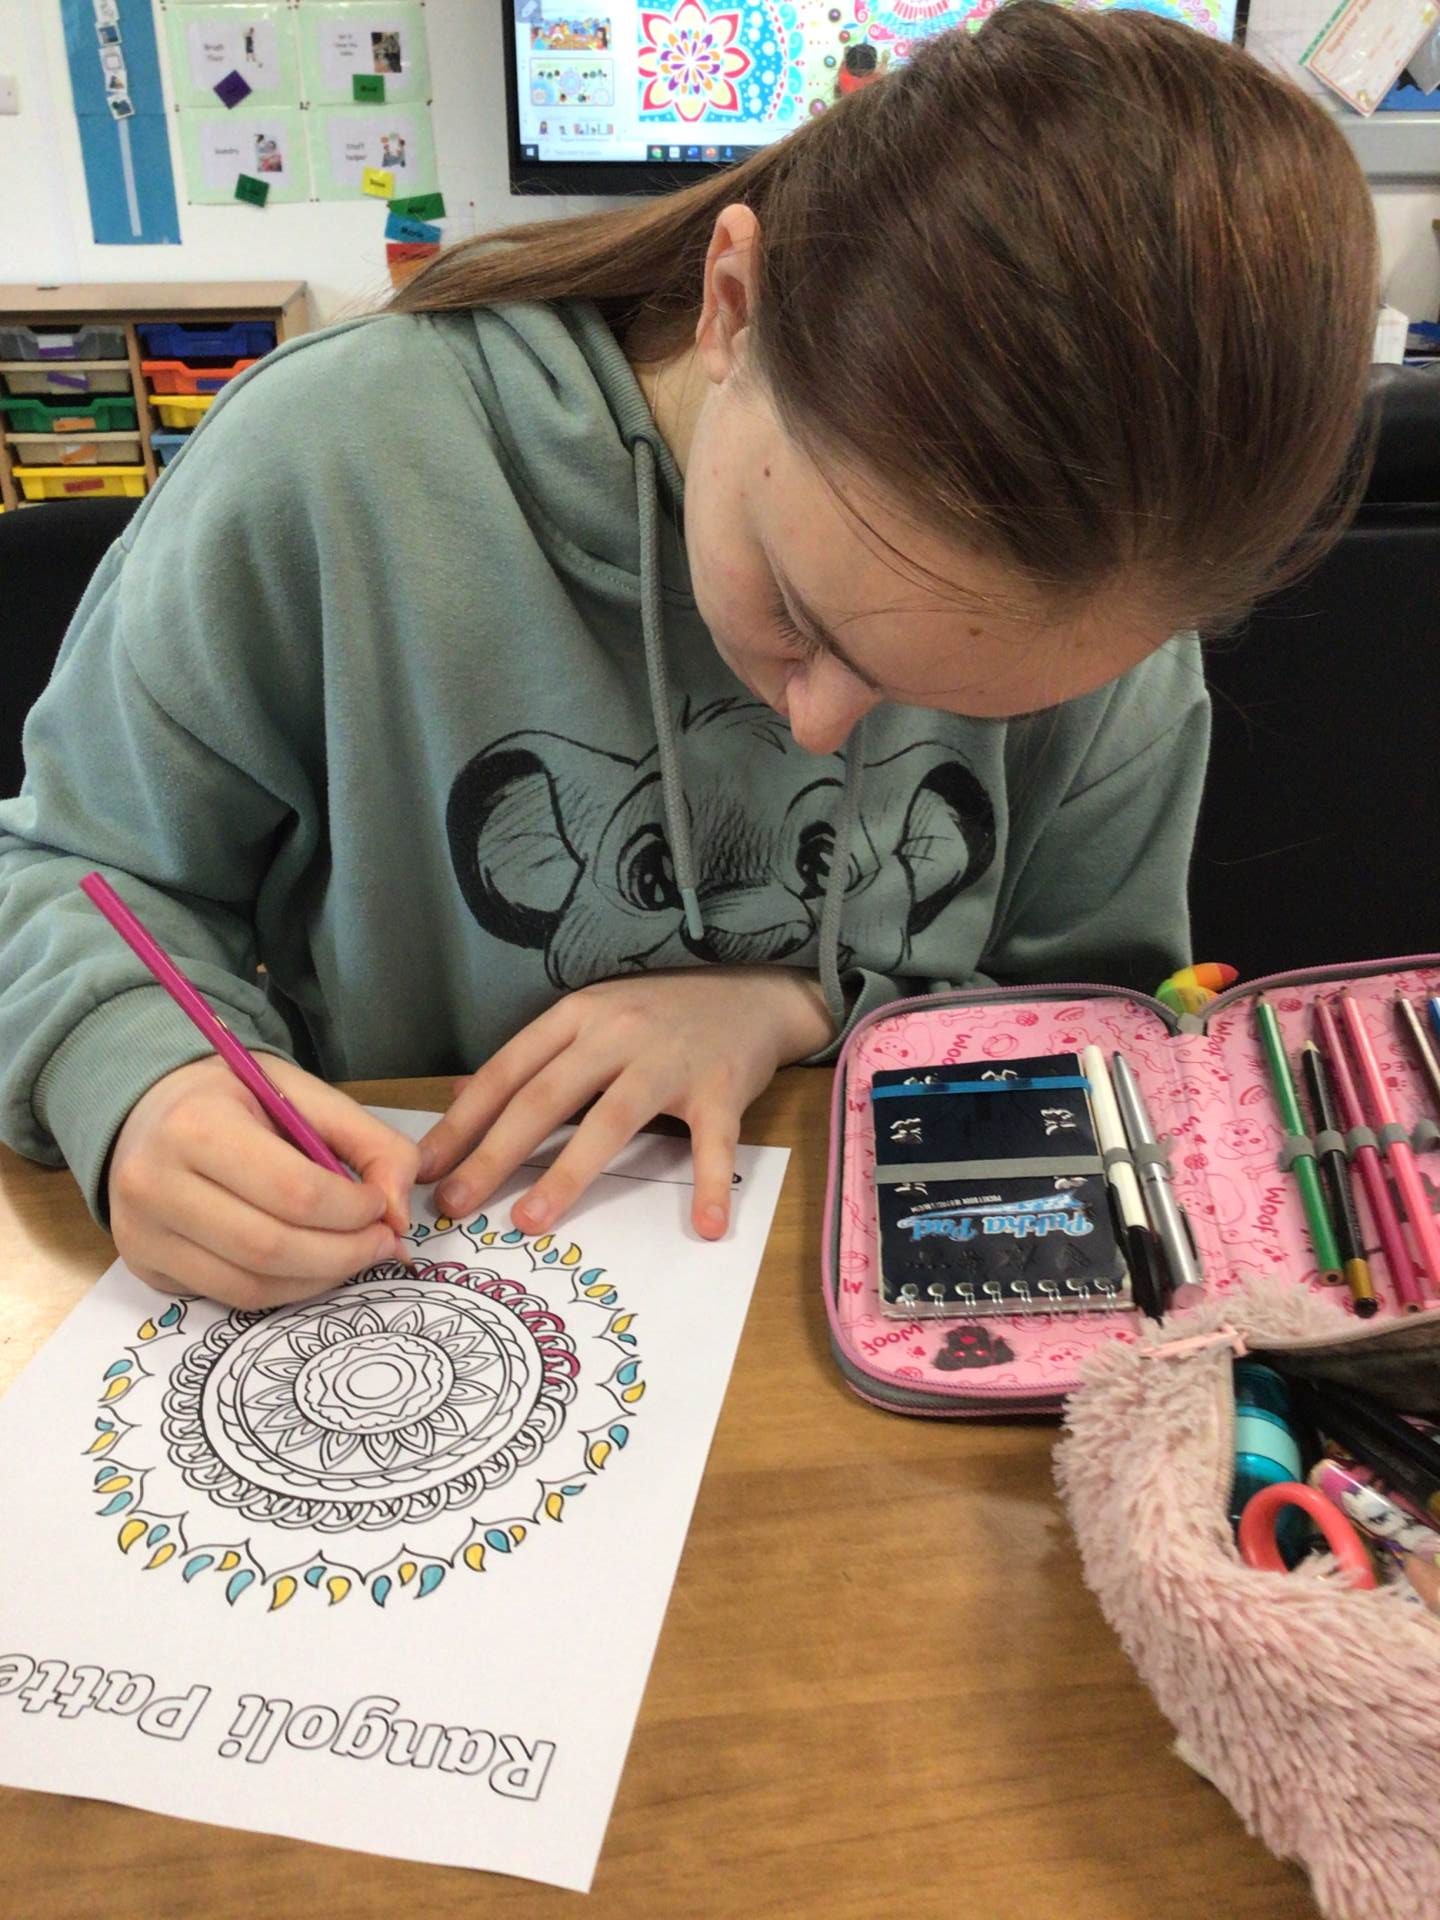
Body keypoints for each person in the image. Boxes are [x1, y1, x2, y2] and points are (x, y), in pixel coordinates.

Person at [0, 3, 1378, 1313]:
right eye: (801, 610)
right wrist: (134, 1074)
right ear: (732, 304)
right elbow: (66, 873)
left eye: (943, 697)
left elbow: (1103, 1026)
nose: (818, 730)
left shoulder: (1129, 622)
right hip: (395, 1272)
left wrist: (794, 1004)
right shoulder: (331, 465)